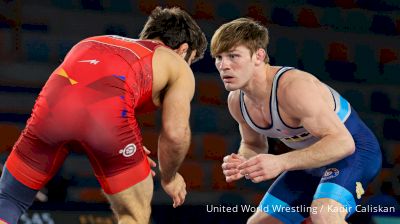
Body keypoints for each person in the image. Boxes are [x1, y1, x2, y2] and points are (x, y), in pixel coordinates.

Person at [0, 7, 207, 224]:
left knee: (9, 199)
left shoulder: (93, 41)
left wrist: (130, 144)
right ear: (184, 50)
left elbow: (79, 107)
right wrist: (170, 177)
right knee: (134, 214)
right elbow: (175, 133)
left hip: (51, 112)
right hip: (106, 123)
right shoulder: (176, 64)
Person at [211, 18, 381, 224]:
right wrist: (243, 161)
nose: (223, 65)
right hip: (308, 162)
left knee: (324, 214)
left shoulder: (293, 87)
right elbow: (253, 144)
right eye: (218, 57)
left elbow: (343, 143)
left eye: (233, 56)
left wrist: (281, 162)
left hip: (354, 154)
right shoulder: (237, 101)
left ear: (259, 56)